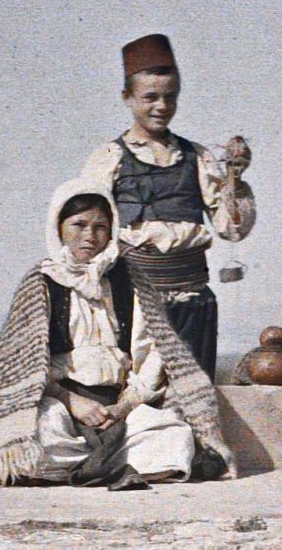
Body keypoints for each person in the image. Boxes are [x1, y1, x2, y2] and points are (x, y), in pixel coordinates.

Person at [0, 180, 234, 487]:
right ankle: (100, 467)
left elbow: (153, 353)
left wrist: (123, 406)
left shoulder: (130, 280)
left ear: (111, 229)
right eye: (79, 225)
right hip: (61, 401)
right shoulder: (40, 283)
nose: (90, 235)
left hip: (118, 404)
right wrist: (74, 403)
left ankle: (90, 467)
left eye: (100, 226)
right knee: (37, 439)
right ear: (59, 227)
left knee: (171, 435)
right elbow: (23, 366)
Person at [81, 33, 255, 379]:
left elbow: (231, 229)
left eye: (170, 97)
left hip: (193, 304)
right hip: (133, 301)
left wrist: (235, 180)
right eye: (150, 97)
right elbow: (88, 228)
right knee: (136, 394)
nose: (161, 106)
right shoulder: (108, 159)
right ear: (127, 98)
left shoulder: (198, 156)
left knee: (194, 397)